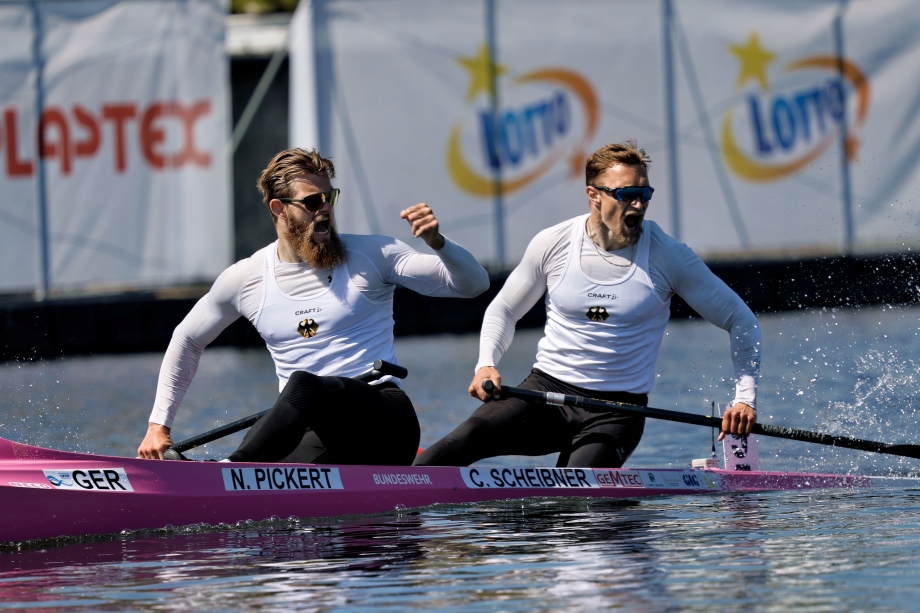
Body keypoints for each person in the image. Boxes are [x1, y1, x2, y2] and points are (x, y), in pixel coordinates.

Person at [415, 140, 759, 469]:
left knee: (575, 509)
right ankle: (395, 487)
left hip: (617, 411)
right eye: (627, 195)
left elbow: (741, 320)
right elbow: (504, 309)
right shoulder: (553, 243)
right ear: (593, 195)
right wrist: (485, 364)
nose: (638, 205)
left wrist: (745, 398)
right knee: (458, 443)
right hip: (546, 394)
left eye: (644, 194)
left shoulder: (670, 257)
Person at [138, 148, 490, 464]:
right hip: (314, 430)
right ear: (278, 209)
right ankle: (227, 479)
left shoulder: (374, 255)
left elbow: (474, 285)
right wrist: (158, 427)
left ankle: (229, 472)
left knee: (304, 385)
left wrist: (439, 243)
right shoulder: (244, 279)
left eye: (329, 197)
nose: (324, 209)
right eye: (311, 202)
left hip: (382, 418)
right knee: (269, 464)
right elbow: (187, 340)